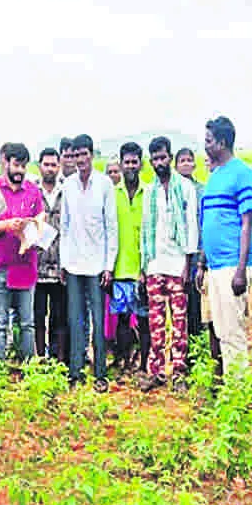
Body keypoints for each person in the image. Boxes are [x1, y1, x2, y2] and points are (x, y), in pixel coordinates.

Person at [198, 116, 252, 379]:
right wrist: (202, 263)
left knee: (234, 332)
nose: (205, 145)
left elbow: (247, 224)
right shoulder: (215, 175)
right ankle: (232, 388)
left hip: (233, 265)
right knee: (221, 331)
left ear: (222, 142)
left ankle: (239, 391)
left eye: (209, 140)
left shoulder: (241, 173)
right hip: (215, 265)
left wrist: (241, 270)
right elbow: (207, 223)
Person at [140, 137, 199, 391]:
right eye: (154, 159)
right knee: (155, 320)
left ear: (170, 157)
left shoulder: (185, 187)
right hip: (154, 263)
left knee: (179, 321)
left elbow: (191, 225)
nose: (159, 162)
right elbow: (144, 229)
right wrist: (144, 266)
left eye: (162, 157)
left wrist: (188, 262)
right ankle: (155, 371)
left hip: (177, 264)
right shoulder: (149, 191)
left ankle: (178, 372)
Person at [61, 133, 118, 391]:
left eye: (84, 154)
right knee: (76, 319)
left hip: (97, 265)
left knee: (98, 319)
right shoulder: (69, 185)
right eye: (75, 155)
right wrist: (63, 262)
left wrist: (109, 266)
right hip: (73, 264)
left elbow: (111, 227)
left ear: (91, 156)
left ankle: (100, 375)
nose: (80, 159)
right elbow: (65, 226)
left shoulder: (104, 184)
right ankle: (75, 373)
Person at [0, 142, 43, 361]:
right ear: (5, 162)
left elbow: (40, 223)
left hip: (25, 264)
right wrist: (8, 226)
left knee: (27, 322)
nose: (20, 171)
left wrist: (31, 231)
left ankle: (27, 369)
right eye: (16, 165)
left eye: (24, 166)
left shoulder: (33, 192)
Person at [108, 142, 149, 375]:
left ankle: (143, 364)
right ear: (121, 165)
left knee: (143, 321)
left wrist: (146, 268)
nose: (131, 166)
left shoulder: (150, 192)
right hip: (120, 268)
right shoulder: (113, 195)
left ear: (141, 164)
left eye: (135, 162)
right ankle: (123, 362)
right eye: (127, 162)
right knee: (122, 320)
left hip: (143, 269)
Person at [174, 148, 209, 365]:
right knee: (178, 308)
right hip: (175, 256)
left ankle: (196, 354)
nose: (186, 164)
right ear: (176, 165)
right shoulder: (171, 191)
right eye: (182, 160)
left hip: (196, 254)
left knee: (195, 306)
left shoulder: (201, 190)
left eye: (189, 160)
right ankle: (179, 353)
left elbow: (204, 223)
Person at [34, 146, 68, 362]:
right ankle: (40, 361)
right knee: (37, 317)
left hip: (61, 266)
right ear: (39, 166)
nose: (50, 168)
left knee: (60, 318)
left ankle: (58, 361)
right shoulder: (32, 191)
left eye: (54, 164)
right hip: (35, 268)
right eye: (46, 164)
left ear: (59, 166)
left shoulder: (67, 191)